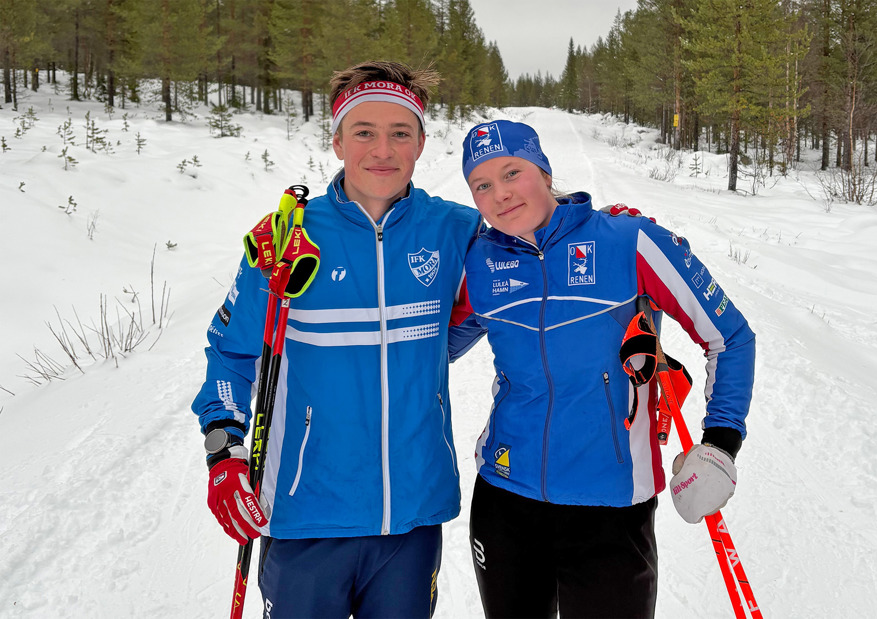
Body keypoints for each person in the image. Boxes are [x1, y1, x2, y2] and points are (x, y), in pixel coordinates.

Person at [192, 61, 485, 619]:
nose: (383, 149)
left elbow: (539, 269)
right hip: (306, 516)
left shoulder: (456, 230)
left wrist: (606, 231)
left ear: (422, 142)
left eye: (400, 133)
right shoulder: (289, 237)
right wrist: (224, 450)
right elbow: (230, 355)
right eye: (364, 132)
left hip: (413, 518)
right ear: (337, 140)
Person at [456, 120, 756, 618]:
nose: (500, 194)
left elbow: (730, 335)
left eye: (512, 172)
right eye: (481, 185)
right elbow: (429, 346)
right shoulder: (482, 264)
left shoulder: (629, 240)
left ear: (545, 172)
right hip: (505, 499)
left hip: (611, 506)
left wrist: (722, 441)